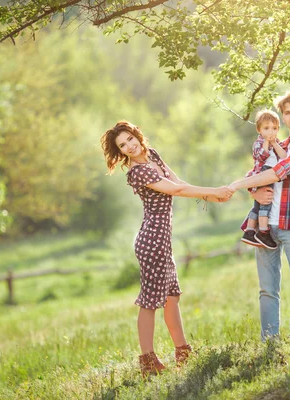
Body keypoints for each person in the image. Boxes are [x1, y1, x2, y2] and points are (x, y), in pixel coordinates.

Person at [101, 120, 233, 377]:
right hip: (151, 242)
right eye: (122, 145)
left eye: (130, 139)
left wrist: (211, 196)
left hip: (162, 240)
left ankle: (183, 352)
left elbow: (178, 181)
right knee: (150, 301)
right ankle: (147, 361)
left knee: (172, 297)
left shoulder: (152, 155)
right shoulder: (137, 172)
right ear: (119, 151)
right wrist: (213, 191)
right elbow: (177, 190)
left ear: (137, 134)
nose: (130, 146)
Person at [228, 90, 290, 341]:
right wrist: (254, 191)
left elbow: (281, 171)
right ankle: (269, 341)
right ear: (283, 117)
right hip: (267, 227)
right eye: (288, 113)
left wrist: (237, 185)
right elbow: (257, 171)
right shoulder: (278, 145)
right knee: (267, 289)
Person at [241, 110, 287, 249]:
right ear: (259, 130)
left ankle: (249, 231)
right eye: (266, 128)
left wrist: (274, 142)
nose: (270, 131)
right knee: (266, 201)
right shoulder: (259, 143)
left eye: (274, 128)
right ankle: (263, 231)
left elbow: (284, 157)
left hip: (272, 172)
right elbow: (261, 156)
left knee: (257, 205)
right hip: (265, 172)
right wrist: (267, 141)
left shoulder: (276, 142)